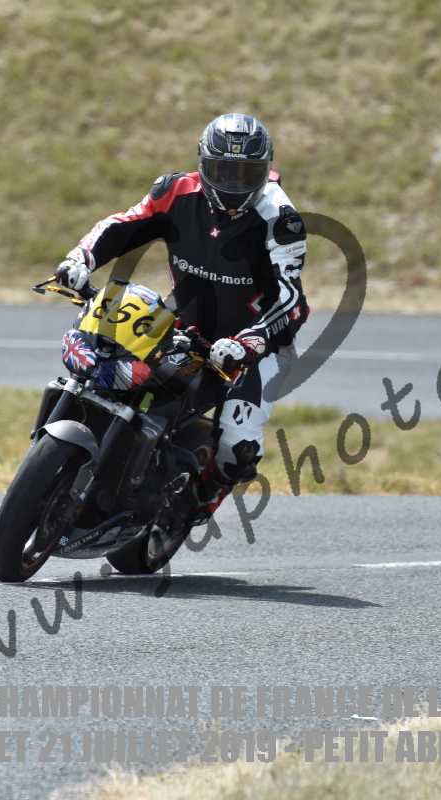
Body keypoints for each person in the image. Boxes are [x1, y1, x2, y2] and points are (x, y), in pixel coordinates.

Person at [53, 112, 308, 523]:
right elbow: (124, 225)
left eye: (246, 174)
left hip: (254, 345)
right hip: (184, 321)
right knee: (109, 351)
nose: (232, 185)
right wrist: (81, 258)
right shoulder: (174, 190)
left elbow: (293, 301)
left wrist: (251, 341)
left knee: (237, 447)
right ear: (202, 163)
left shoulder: (281, 219)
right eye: (223, 171)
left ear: (265, 170)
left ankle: (199, 501)